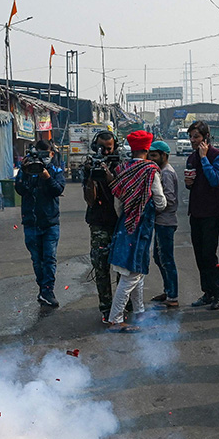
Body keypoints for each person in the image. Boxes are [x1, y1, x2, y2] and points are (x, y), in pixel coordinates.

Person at [106, 130, 166, 331]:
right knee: (131, 273)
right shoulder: (151, 170)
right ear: (147, 150)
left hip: (125, 224)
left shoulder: (122, 169)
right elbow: (160, 200)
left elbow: (118, 203)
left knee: (138, 270)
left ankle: (139, 312)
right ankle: (115, 319)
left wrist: (128, 214)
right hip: (141, 226)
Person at [15, 140, 65, 307]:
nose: (43, 158)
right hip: (31, 222)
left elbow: (58, 190)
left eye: (46, 154)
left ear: (51, 154)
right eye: (39, 154)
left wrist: (47, 177)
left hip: (50, 222)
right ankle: (43, 289)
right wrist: (25, 172)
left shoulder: (55, 170)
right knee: (37, 260)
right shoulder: (27, 169)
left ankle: (48, 291)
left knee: (49, 259)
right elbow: (20, 190)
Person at [184, 120, 219, 310]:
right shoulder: (191, 157)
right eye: (191, 137)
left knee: (209, 254)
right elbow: (190, 183)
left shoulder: (216, 156)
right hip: (196, 211)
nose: (193, 140)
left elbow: (215, 180)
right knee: (199, 255)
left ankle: (218, 292)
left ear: (205, 137)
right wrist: (188, 182)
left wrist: (204, 158)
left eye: (197, 137)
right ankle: (207, 292)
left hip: (211, 212)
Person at [82, 131, 121, 320]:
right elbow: (90, 200)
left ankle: (123, 305)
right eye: (100, 148)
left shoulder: (120, 165)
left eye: (108, 148)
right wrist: (91, 176)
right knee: (100, 266)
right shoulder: (89, 165)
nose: (104, 152)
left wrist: (107, 174)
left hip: (119, 221)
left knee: (123, 267)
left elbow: (121, 193)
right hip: (98, 222)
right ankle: (106, 307)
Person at [148, 140, 179, 309]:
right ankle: (168, 290)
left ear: (164, 156)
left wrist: (152, 210)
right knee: (159, 258)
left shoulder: (166, 173)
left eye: (154, 155)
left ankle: (173, 295)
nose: (151, 158)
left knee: (166, 259)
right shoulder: (160, 171)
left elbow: (169, 200)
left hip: (166, 222)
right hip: (160, 221)